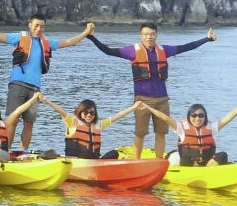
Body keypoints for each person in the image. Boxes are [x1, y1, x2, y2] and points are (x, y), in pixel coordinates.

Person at [87, 23, 218, 159]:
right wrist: (91, 37)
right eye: (146, 34)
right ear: (141, 36)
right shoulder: (132, 51)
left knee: (161, 133)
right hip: (142, 100)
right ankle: (137, 162)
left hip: (162, 99)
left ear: (156, 35)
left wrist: (206, 39)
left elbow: (185, 47)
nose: (149, 37)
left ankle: (159, 161)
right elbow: (108, 51)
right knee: (140, 133)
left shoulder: (164, 50)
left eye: (152, 34)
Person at [0, 3, 95, 150]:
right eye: (36, 26)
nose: (39, 29)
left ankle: (23, 152)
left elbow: (68, 42)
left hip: (35, 88)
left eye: (42, 27)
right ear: (30, 25)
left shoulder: (46, 42)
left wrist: (85, 33)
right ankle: (5, 152)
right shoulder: (19, 37)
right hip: (18, 84)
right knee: (12, 120)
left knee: (29, 123)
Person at [140, 95, 237, 166]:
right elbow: (165, 118)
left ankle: (207, 170)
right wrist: (149, 107)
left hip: (206, 163)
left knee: (223, 155)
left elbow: (228, 118)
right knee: (185, 159)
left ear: (205, 116)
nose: (197, 118)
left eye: (201, 116)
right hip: (187, 163)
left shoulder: (210, 127)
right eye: (194, 115)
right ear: (189, 116)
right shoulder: (181, 127)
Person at [35, 93, 140, 159]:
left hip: (94, 160)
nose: (89, 115)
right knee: (87, 152)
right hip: (76, 160)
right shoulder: (72, 122)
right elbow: (61, 111)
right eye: (85, 112)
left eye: (92, 113)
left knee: (114, 153)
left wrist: (134, 107)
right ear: (80, 112)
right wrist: (46, 100)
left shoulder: (99, 125)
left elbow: (118, 116)